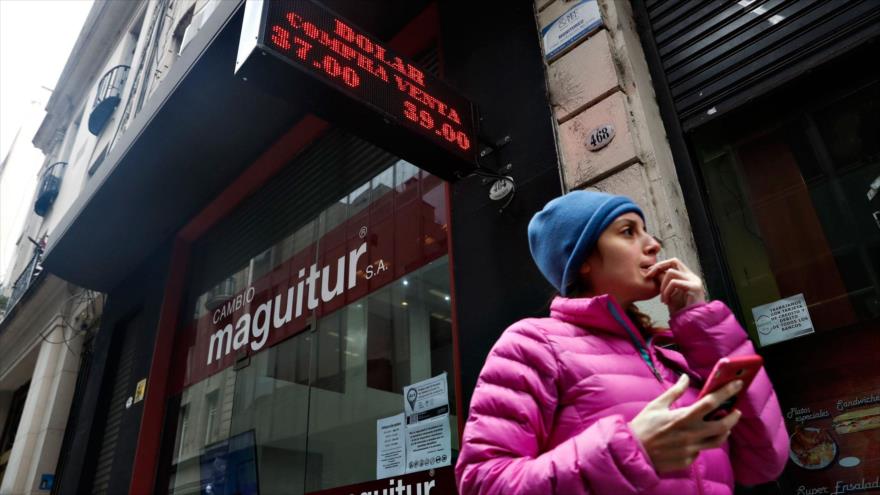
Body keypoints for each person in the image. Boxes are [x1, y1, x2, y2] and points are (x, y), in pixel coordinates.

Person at [455, 191, 789, 494]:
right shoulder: (533, 344)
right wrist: (629, 450)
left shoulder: (672, 358)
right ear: (582, 259)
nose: (653, 244)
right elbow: (483, 483)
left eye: (646, 230)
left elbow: (764, 462)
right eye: (628, 231)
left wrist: (701, 321)